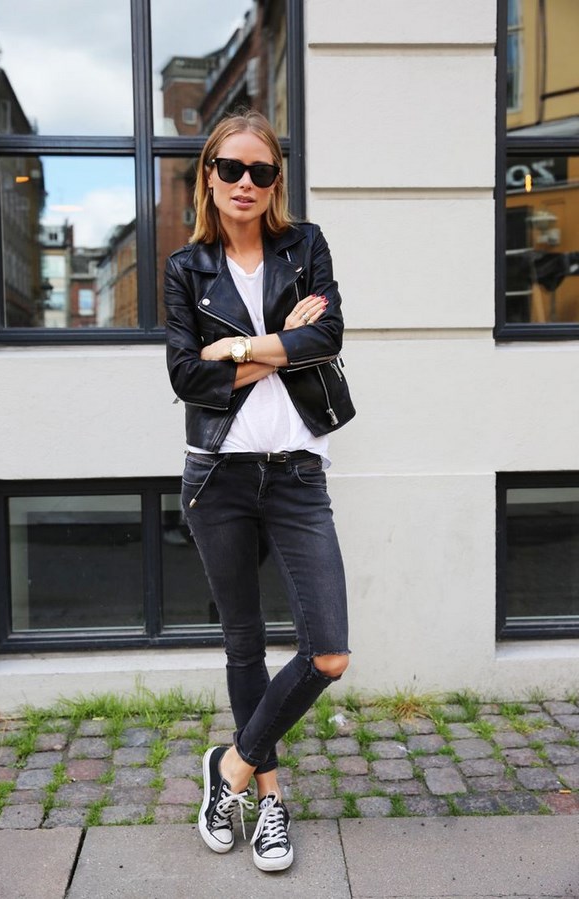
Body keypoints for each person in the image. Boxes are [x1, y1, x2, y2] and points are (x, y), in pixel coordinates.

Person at [164, 110, 353, 873]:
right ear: (209, 175)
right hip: (219, 475)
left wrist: (237, 345)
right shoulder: (186, 268)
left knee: (328, 651)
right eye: (232, 168)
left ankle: (231, 767)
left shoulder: (304, 246)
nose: (246, 182)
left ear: (276, 180)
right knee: (244, 642)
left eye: (262, 170)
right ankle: (269, 799)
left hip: (298, 473)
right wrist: (282, 345)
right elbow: (188, 376)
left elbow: (327, 337)